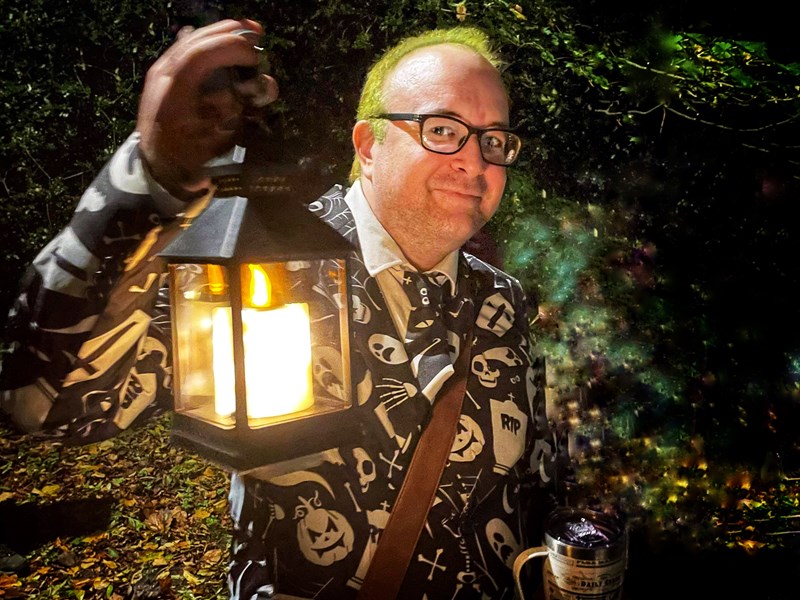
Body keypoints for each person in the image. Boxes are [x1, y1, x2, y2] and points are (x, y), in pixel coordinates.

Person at [0, 18, 567, 599]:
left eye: (493, 141)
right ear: (368, 146)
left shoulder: (504, 300)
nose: (475, 162)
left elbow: (533, 487)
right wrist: (152, 176)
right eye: (442, 129)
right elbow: (48, 403)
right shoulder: (257, 267)